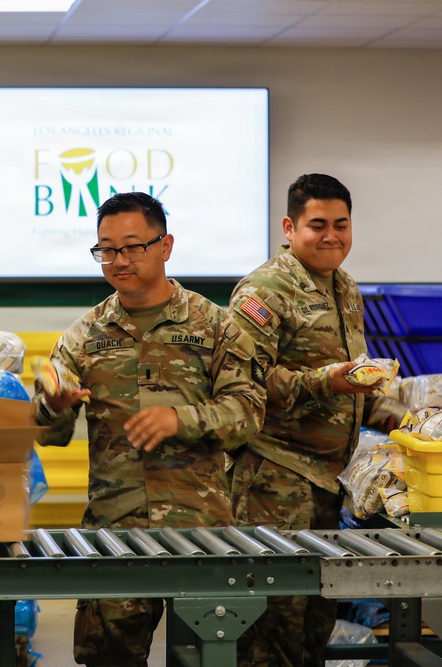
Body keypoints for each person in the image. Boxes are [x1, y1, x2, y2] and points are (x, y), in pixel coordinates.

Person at [30, 192, 265, 667]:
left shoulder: (216, 326)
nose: (118, 261)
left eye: (133, 247)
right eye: (107, 250)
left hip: (202, 529)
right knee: (107, 658)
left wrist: (182, 418)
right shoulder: (83, 335)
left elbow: (247, 412)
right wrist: (53, 406)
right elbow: (48, 434)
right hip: (116, 529)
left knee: (213, 656)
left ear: (166, 245)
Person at [229, 173, 407, 667]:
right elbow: (244, 385)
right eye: (317, 225)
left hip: (330, 482)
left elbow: (358, 388)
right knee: (272, 628)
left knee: (314, 624)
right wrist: (327, 380)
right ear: (290, 226)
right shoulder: (264, 289)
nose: (332, 236)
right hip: (275, 480)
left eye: (341, 224)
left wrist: (409, 421)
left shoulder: (345, 287)